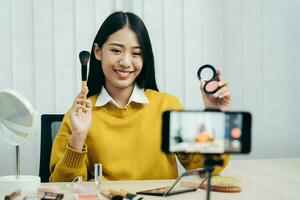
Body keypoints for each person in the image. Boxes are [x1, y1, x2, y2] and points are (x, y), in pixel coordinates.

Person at [49, 11, 231, 182]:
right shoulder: (79, 115)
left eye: (136, 53)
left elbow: (206, 168)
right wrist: (78, 137)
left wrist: (215, 115)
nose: (126, 62)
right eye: (116, 51)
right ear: (98, 52)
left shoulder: (166, 106)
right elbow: (63, 189)